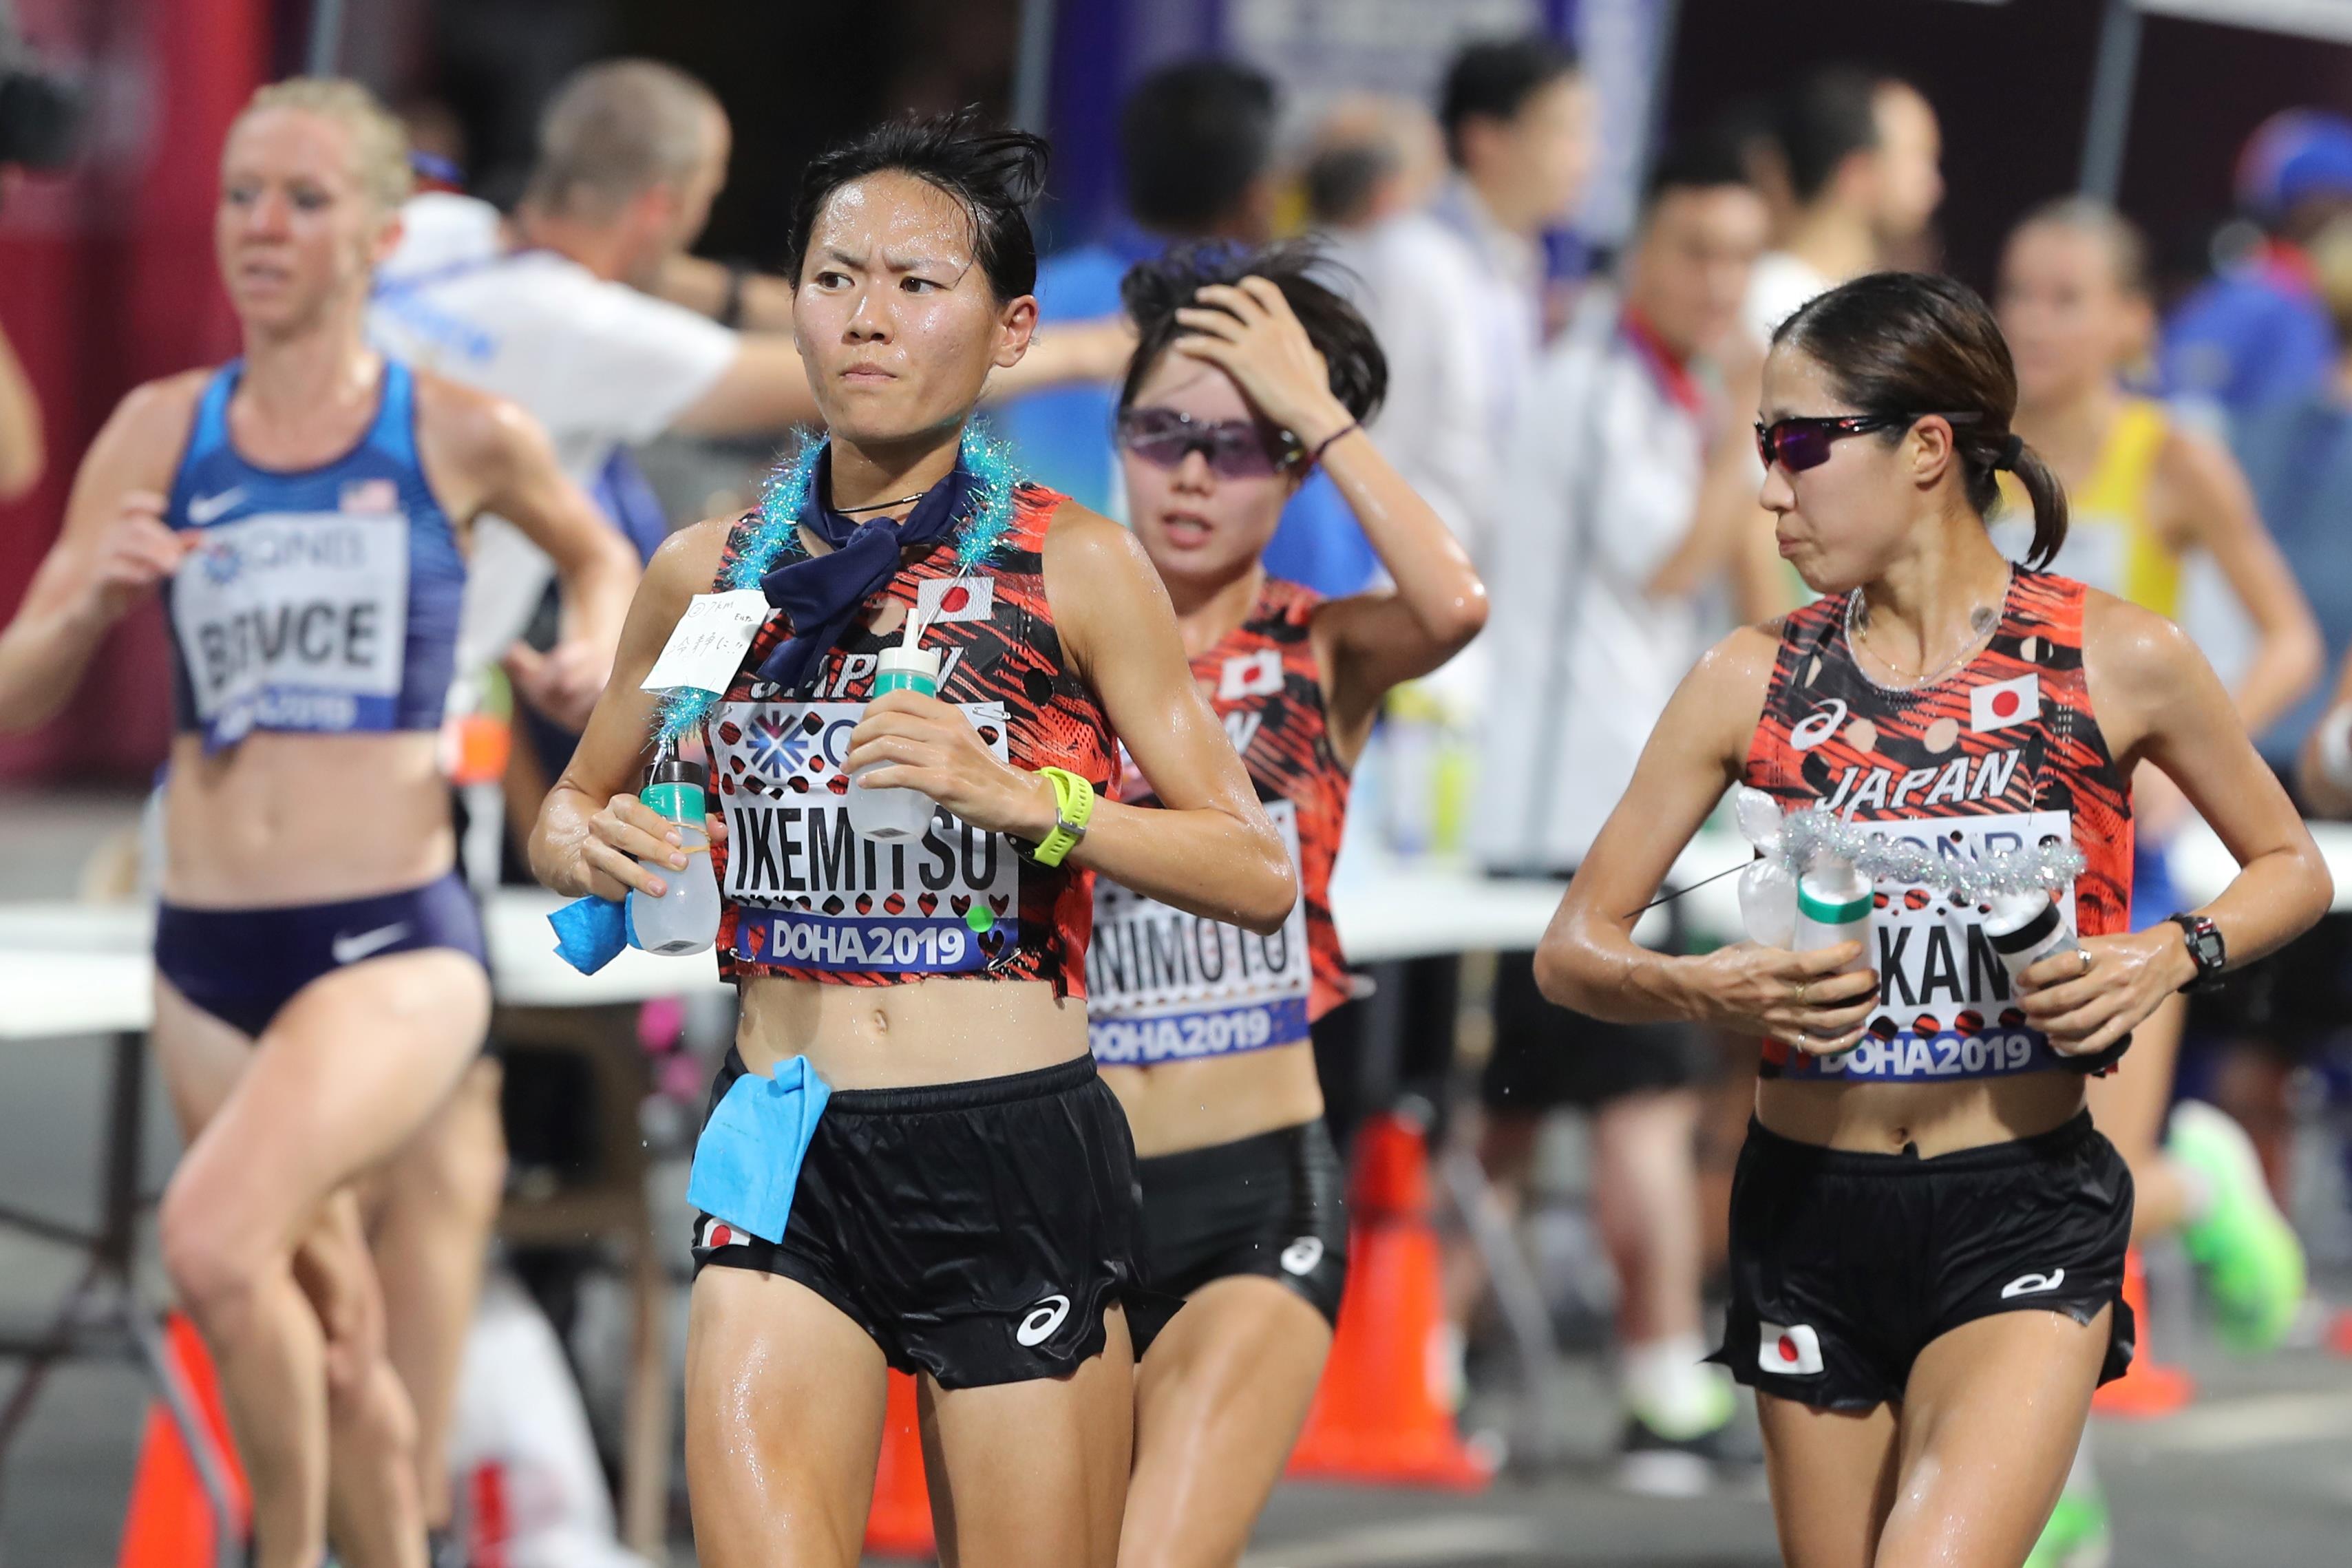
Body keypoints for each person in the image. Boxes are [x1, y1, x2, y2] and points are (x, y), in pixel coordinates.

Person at [529, 113, 1296, 1568]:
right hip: (782, 1141)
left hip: (1007, 1148)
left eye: (915, 283)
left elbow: (1252, 870)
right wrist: (594, 844)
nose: (866, 316)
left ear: (1011, 329)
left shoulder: (1074, 564)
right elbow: (567, 808)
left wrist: (1031, 802)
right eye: (833, 277)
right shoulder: (708, 567)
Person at [1534, 268, 2330, 1568]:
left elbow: (2289, 863)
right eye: (1759, 448)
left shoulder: (2116, 655)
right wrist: (1713, 989)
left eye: (1799, 445)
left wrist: (2166, 953)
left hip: (2019, 1203)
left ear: (1924, 448)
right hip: (1808, 1210)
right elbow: (1572, 950)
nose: (1770, 487)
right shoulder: (1749, 675)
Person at [0, 79, 636, 1568]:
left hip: (387, 941)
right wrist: (91, 601)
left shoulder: (456, 428)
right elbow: (18, 687)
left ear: (381, 230)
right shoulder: (164, 430)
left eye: (302, 198)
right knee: (333, 1320)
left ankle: (279, 1550)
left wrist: (590, 648)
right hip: (206, 946)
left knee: (213, 1242)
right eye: (240, 196)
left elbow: (601, 552)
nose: (263, 229)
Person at [1090, 243, 1485, 1565]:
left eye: (1242, 444)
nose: (1194, 474)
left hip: (1248, 1195)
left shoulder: (1321, 646)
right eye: (1162, 436)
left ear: (1296, 468)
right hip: (1046, 1190)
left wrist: (1315, 406)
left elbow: (1454, 601)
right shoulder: (1035, 643)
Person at [1997, 190, 2324, 1568]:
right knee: (2000, 1187)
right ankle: (2197, 1178)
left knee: (2073, 1191)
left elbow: (2289, 638)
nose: (2034, 320)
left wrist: (2189, 757)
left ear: (2136, 319)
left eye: (2069, 295)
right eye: (2016, 289)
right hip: (1984, 862)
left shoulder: (2168, 460)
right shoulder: (1972, 469)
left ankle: (2050, 1487)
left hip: (2126, 871)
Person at [1468, 131, 1770, 1494]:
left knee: (1516, 1115)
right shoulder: (1600, 389)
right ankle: (1658, 1389)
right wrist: (1742, 441)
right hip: (1571, 818)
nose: (1719, 282)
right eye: (1696, 252)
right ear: (1639, 255)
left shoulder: (1653, 386)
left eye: (1737, 258)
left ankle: (1445, 1356)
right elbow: (1667, 566)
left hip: (1606, 810)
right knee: (1635, 1100)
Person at [1304, 97, 1487, 550]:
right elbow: (1397, 414)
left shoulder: (1310, 260)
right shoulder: (1417, 256)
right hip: (1400, 525)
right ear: (1390, 186)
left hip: (1378, 521)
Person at [1432, 34, 1593, 444]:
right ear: (1486, 139)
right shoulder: (1420, 264)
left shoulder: (1517, 263)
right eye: (1567, 131)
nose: (1587, 159)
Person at [2162, 110, 2352, 427]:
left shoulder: (2319, 302)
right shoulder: (2257, 299)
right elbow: (2183, 404)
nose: (2343, 229)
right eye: (2335, 210)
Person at [1741, 70, 1943, 346]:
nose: (1935, 187)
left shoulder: (1855, 311)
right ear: (1858, 174)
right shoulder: (1770, 306)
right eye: (1919, 158)